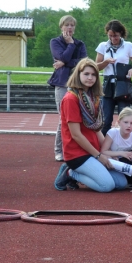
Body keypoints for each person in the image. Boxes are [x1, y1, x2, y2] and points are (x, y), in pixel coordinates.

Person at [53, 58, 128, 193]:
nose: (90, 78)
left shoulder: (93, 97)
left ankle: (89, 171)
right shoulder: (71, 99)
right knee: (107, 186)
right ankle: (70, 173)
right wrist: (99, 156)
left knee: (121, 183)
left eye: (94, 75)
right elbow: (76, 134)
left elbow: (96, 129)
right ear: (78, 75)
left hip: (94, 150)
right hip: (77, 153)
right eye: (86, 74)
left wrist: (107, 151)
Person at [47, 15, 88, 162]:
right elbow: (61, 57)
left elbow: (83, 63)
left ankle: (76, 149)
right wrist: (70, 45)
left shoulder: (80, 43)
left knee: (79, 119)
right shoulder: (55, 42)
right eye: (67, 25)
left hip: (78, 84)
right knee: (63, 119)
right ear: (61, 27)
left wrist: (65, 62)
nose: (69, 28)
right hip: (62, 84)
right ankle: (59, 150)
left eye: (72, 25)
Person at [95, 20, 132, 136]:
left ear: (120, 33)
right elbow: (96, 67)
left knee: (125, 118)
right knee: (106, 119)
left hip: (122, 84)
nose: (113, 38)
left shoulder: (128, 45)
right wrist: (106, 62)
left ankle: (124, 145)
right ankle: (103, 147)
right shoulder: (102, 46)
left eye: (115, 35)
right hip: (108, 84)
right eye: (110, 36)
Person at [100, 107, 132, 187]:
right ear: (119, 122)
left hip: (127, 165)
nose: (128, 125)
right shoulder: (113, 133)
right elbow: (103, 151)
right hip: (114, 163)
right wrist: (122, 153)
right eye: (125, 122)